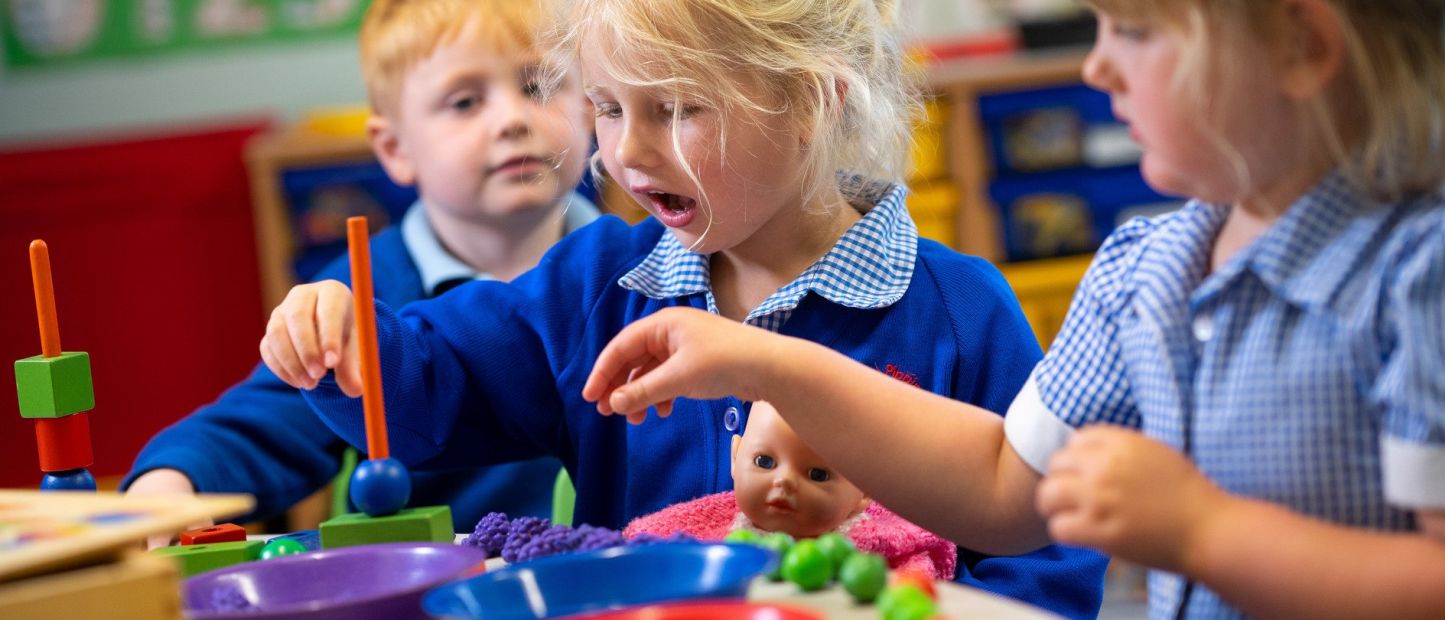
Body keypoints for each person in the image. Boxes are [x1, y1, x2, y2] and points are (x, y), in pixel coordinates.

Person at [582, 0, 1445, 618]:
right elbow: (1004, 483)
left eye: (1137, 32)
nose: (1097, 68)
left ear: (1300, 43)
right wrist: (762, 362)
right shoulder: (1148, 268)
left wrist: (1202, 534)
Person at [258, 0, 1108, 616]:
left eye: (676, 108)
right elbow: (438, 390)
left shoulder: (959, 310)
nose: (627, 151)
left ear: (815, 101)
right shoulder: (598, 284)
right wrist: (356, 341)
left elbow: (1050, 562)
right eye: (607, 108)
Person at [125, 0, 595, 537]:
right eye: (465, 101)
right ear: (396, 148)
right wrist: (172, 479)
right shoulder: (361, 293)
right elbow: (268, 421)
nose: (513, 119)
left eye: (537, 87)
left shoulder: (644, 264)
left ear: (588, 108)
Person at [624, 401, 957, 579]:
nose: (783, 481)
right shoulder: (708, 526)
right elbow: (646, 543)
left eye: (817, 474)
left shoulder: (880, 545)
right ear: (736, 457)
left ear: (865, 488)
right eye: (765, 462)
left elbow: (916, 582)